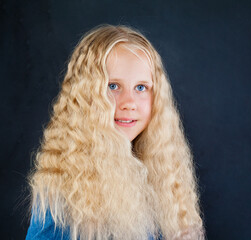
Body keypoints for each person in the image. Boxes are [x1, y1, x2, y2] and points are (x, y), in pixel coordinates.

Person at [26, 24, 204, 240]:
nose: (129, 103)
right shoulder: (64, 197)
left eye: (141, 88)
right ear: (83, 97)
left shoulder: (162, 177)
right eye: (112, 86)